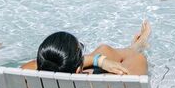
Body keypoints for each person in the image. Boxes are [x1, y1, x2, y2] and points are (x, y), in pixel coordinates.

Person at [22, 21, 151, 76]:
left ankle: (134, 47)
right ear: (78, 70)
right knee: (136, 57)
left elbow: (48, 63)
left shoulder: (25, 73)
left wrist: (98, 61)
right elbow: (133, 72)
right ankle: (136, 47)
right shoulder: (107, 86)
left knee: (104, 50)